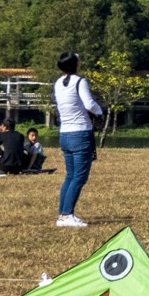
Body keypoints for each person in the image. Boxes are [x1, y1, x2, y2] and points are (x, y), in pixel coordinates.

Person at [52, 52, 103, 228]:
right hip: (80, 133)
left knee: (70, 176)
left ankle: (63, 214)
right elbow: (89, 104)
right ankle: (67, 215)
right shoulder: (80, 82)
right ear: (75, 64)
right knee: (79, 177)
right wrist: (100, 112)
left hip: (65, 134)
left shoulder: (58, 84)